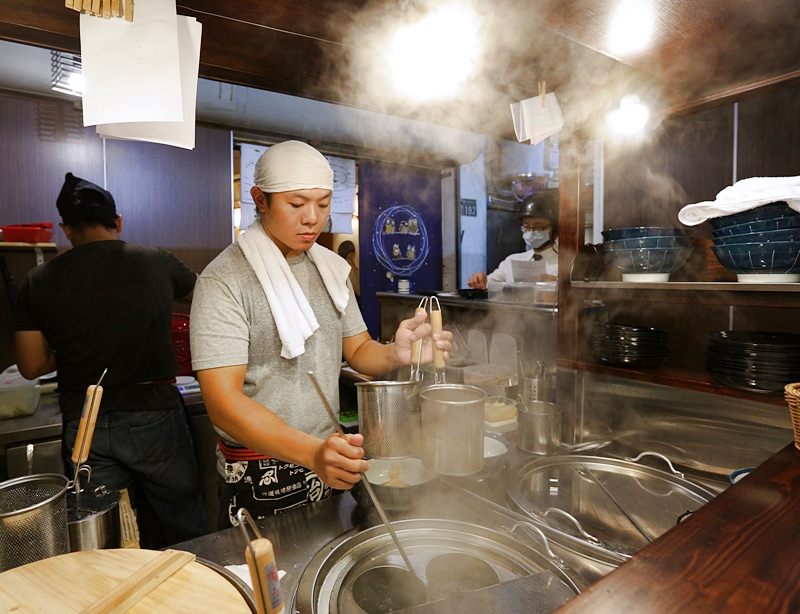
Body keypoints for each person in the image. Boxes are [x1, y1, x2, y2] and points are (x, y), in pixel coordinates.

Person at [189, 140, 451, 527]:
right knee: (270, 583)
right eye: (296, 204)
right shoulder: (225, 280)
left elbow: (359, 350)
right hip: (262, 470)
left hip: (329, 456)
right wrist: (311, 453)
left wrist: (398, 352)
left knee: (327, 570)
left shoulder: (330, 270)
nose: (313, 218)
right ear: (260, 199)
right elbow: (223, 401)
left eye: (324, 203)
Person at [14, 172, 207, 548]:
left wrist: (74, 347)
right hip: (155, 414)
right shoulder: (155, 260)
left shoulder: (38, 280)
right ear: (117, 221)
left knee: (103, 534)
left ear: (66, 229)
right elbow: (212, 299)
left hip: (86, 418)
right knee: (182, 524)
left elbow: (31, 365)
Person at [467, 192, 559, 289]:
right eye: (527, 227)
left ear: (555, 229)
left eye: (539, 226)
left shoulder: (565, 264)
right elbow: (487, 285)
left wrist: (557, 285)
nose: (531, 232)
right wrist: (479, 279)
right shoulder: (512, 261)